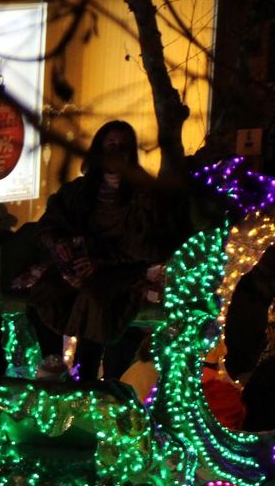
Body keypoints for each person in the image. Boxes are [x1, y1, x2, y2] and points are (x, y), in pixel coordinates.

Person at [27, 120, 185, 383]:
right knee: (46, 292)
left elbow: (147, 245)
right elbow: (51, 222)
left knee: (96, 300)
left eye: (123, 145)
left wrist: (100, 261)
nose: (116, 150)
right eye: (110, 143)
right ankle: (53, 366)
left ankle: (87, 374)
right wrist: (59, 244)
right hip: (79, 262)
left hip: (120, 268)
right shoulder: (79, 191)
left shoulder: (144, 193)